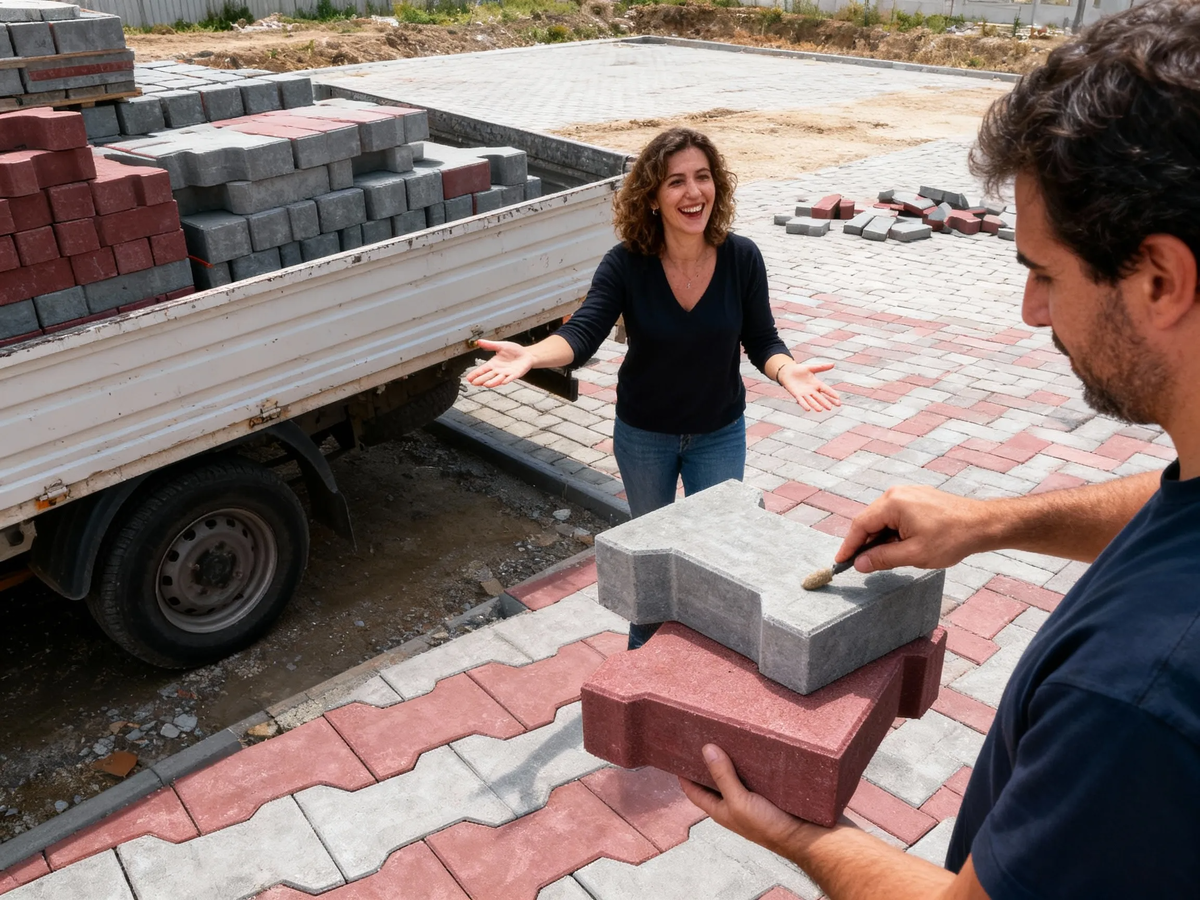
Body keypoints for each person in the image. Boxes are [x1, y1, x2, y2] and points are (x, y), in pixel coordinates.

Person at [680, 2, 1200, 897]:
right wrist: (985, 523)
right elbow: (1177, 506)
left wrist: (799, 837)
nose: (1031, 312)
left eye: (1044, 273)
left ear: (1158, 278)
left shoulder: (1136, 696)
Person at [466, 127, 840, 648]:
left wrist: (786, 369)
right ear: (653, 196)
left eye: (703, 178)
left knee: (720, 547)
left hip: (718, 432)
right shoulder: (626, 264)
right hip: (644, 436)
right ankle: (645, 650)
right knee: (654, 548)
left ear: (718, 186)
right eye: (676, 182)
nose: (693, 193)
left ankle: (712, 648)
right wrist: (531, 355)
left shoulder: (742, 258)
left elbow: (762, 339)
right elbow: (582, 334)